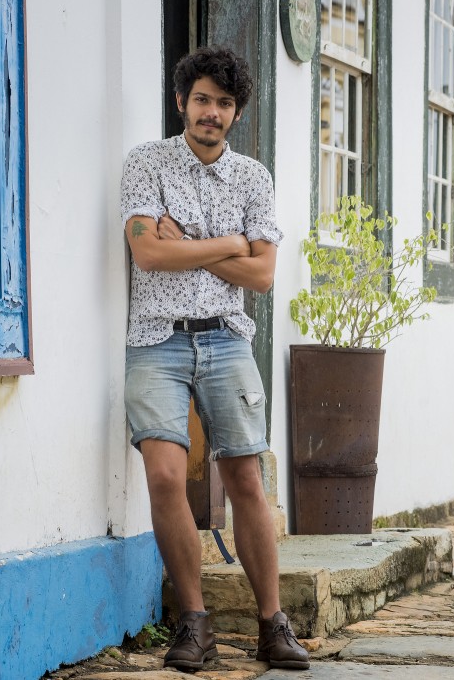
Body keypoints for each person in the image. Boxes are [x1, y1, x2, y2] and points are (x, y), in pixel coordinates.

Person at [119, 45, 309, 672]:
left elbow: (262, 275)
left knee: (246, 480)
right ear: (181, 101)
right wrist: (233, 246)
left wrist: (197, 243)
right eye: (201, 99)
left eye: (224, 103)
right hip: (156, 338)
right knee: (166, 477)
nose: (211, 112)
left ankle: (271, 624)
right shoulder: (145, 165)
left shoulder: (253, 178)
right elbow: (147, 254)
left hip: (227, 338)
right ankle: (194, 623)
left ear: (235, 113)